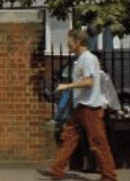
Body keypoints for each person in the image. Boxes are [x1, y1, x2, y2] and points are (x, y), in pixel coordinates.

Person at [41, 28, 118, 180]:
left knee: (97, 142)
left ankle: (109, 176)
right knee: (69, 137)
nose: (68, 44)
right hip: (81, 106)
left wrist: (66, 86)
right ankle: (57, 169)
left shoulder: (88, 59)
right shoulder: (80, 59)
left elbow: (89, 82)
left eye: (70, 41)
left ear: (77, 42)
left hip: (91, 107)